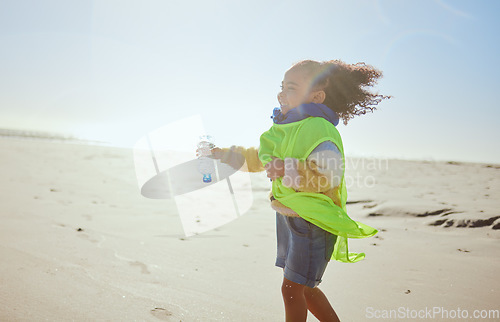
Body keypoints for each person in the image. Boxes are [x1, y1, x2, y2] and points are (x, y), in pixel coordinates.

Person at [211, 59, 389, 321]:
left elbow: (329, 174)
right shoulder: (282, 128)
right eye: (281, 87)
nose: (282, 93)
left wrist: (289, 169)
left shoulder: (319, 129)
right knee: (305, 288)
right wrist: (223, 154)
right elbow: (257, 157)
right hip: (289, 216)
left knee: (292, 289)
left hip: (313, 221)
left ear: (316, 96)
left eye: (291, 87)